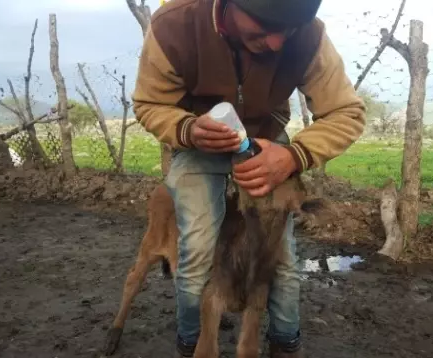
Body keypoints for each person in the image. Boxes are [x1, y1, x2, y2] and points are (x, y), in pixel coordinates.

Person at [131, 0, 366, 356]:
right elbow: (149, 103)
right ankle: (192, 340)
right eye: (263, 27)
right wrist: (188, 129)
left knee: (281, 257)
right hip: (197, 141)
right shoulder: (175, 24)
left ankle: (285, 343)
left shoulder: (309, 34)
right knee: (195, 253)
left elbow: (346, 111)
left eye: (286, 32)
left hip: (267, 144)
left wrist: (292, 156)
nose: (275, 44)